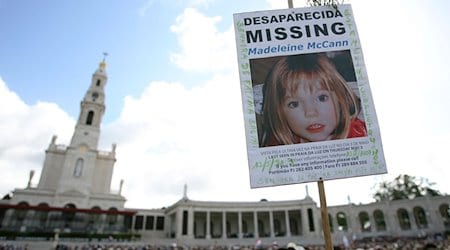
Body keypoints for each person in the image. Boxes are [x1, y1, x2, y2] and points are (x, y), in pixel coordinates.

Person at [261, 52, 366, 147]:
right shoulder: (276, 146)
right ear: (279, 113)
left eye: (322, 98)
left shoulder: (362, 135)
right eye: (294, 104)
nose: (311, 113)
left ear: (341, 99)